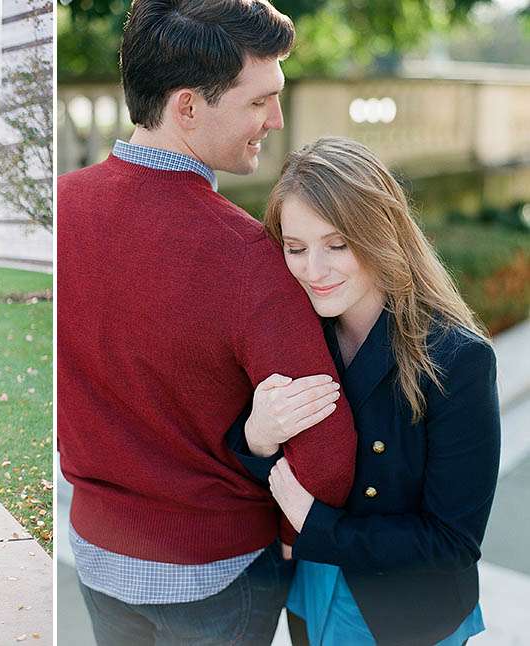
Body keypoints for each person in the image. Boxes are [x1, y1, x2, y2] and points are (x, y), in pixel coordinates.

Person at [57, 1, 359, 643]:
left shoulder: (60, 209)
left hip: (96, 554)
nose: (276, 121)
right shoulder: (249, 257)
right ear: (188, 107)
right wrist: (284, 539)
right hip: (221, 573)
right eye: (260, 102)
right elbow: (328, 459)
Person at [245, 137, 500, 645]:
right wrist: (257, 437)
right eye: (296, 249)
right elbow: (266, 465)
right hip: (309, 585)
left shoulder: (457, 358)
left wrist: (319, 526)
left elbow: (453, 542)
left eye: (337, 245)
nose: (314, 271)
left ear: (382, 232)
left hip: (403, 613)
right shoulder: (298, 333)